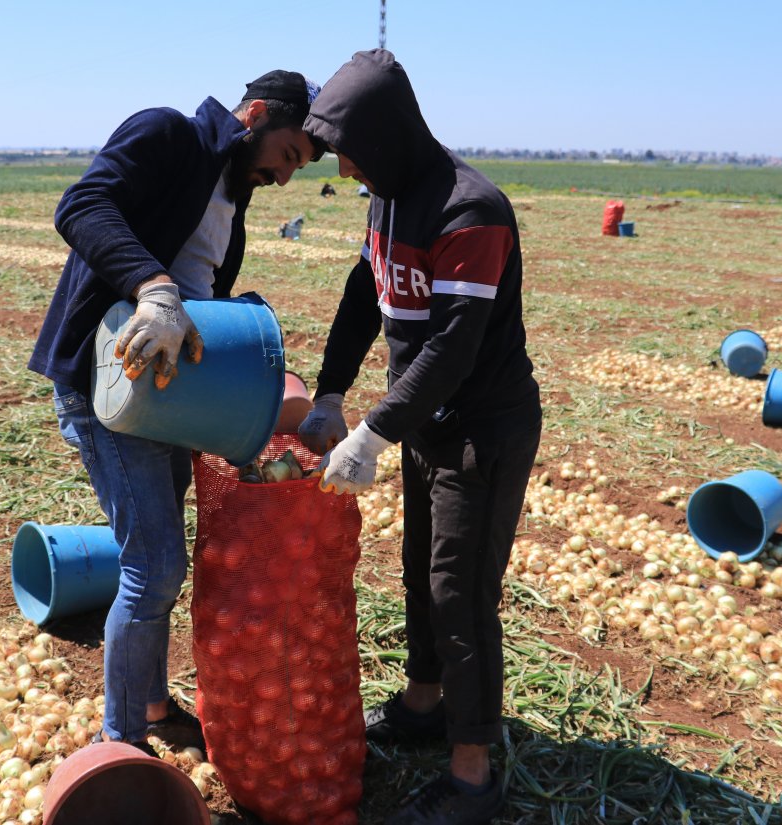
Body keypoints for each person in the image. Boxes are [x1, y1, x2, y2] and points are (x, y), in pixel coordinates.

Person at [29, 69, 322, 753]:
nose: (285, 177)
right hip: (111, 385)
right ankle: (121, 744)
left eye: (299, 168)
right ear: (254, 114)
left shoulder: (232, 197)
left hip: (172, 399)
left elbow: (208, 297)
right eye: (288, 155)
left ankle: (153, 703)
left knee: (158, 563)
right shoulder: (167, 134)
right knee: (154, 565)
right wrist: (153, 288)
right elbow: (82, 207)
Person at [299, 49, 541, 825]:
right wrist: (333, 390)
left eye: (351, 146)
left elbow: (453, 347)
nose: (343, 163)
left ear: (391, 133)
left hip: (482, 426)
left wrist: (373, 430)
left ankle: (472, 778)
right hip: (429, 423)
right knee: (417, 572)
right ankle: (424, 701)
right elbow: (362, 293)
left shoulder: (471, 210)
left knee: (460, 594)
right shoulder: (388, 197)